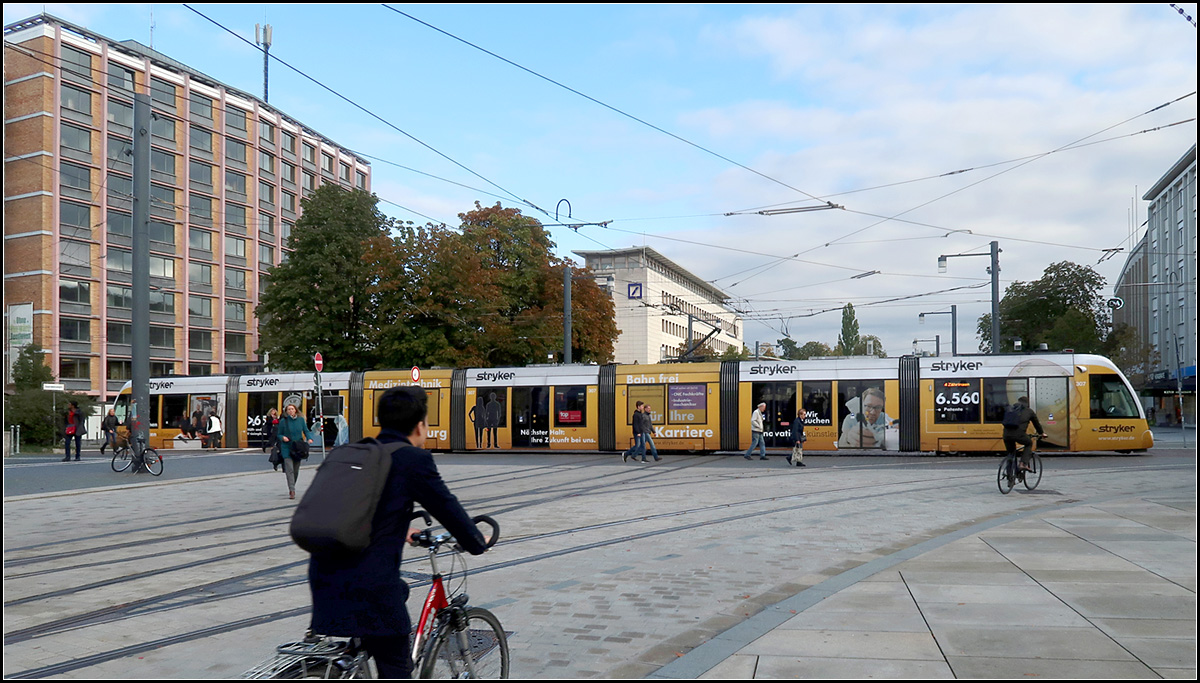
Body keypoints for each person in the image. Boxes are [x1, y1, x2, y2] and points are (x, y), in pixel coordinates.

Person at [307, 386, 488, 678]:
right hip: (371, 588)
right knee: (397, 667)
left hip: (323, 579)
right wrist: (478, 542)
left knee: (399, 592)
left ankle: (350, 660)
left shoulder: (354, 453)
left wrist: (400, 527)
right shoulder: (411, 460)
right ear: (419, 426)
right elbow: (448, 509)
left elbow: (356, 508)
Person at [278, 403, 315, 500]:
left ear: (295, 410)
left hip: (298, 448)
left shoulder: (301, 420)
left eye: (292, 409)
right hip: (287, 447)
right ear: (286, 411)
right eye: (288, 409)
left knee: (296, 470)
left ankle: (292, 484)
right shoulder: (283, 421)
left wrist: (309, 438)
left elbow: (306, 430)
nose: (290, 411)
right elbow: (278, 434)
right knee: (289, 469)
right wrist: (283, 437)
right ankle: (292, 490)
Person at [1003, 396, 1046, 472]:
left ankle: (1009, 475)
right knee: (1029, 443)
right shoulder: (1029, 411)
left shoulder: (1010, 409)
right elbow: (1037, 424)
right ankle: (1023, 463)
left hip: (1006, 435)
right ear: (1027, 404)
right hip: (1019, 435)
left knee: (1011, 454)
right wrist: (1042, 433)